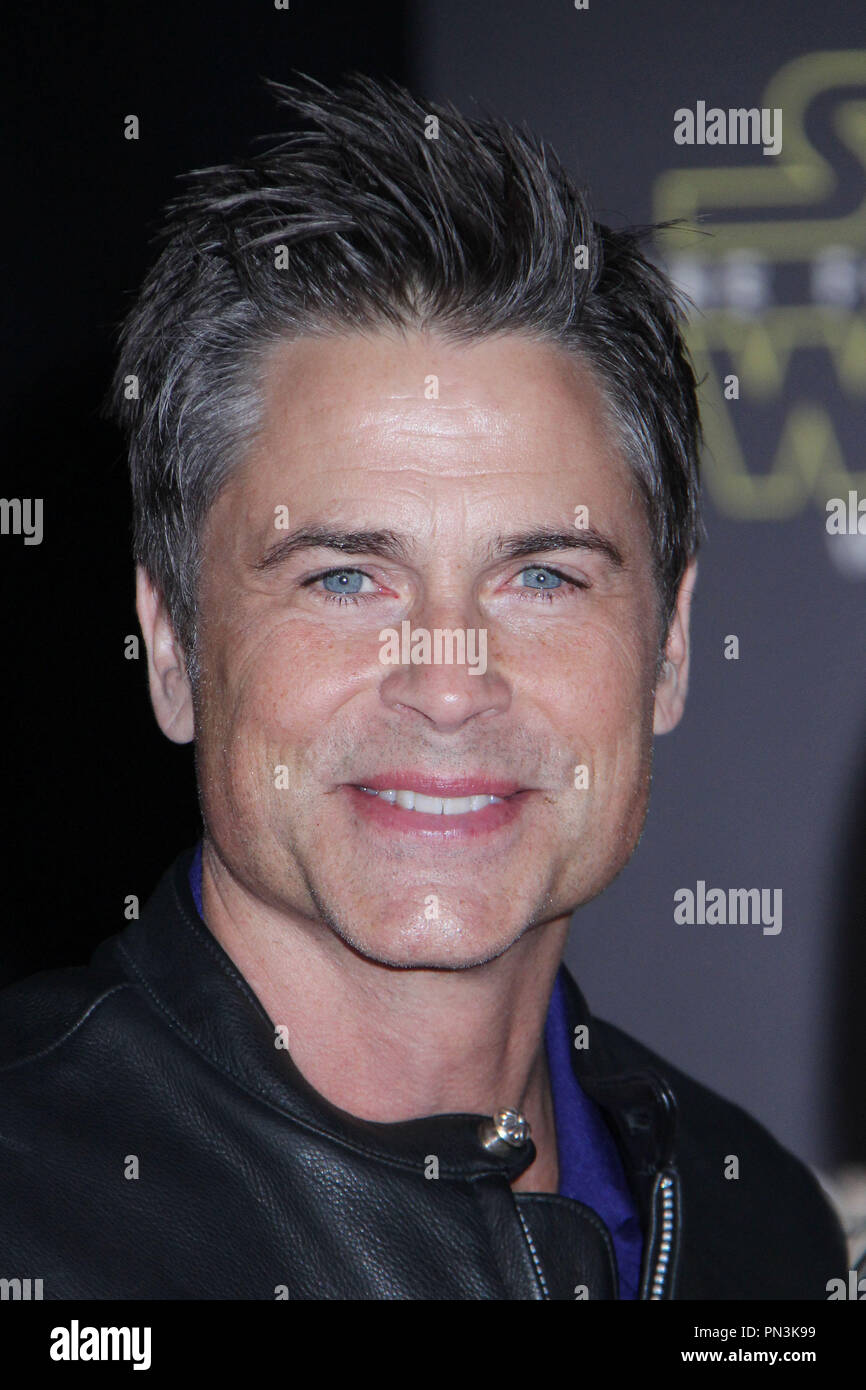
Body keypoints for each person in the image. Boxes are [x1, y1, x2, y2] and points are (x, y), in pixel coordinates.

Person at [0, 73, 846, 1300]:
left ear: (667, 646)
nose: (449, 686)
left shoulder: (756, 1227)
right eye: (346, 577)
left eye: (542, 577)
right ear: (172, 646)